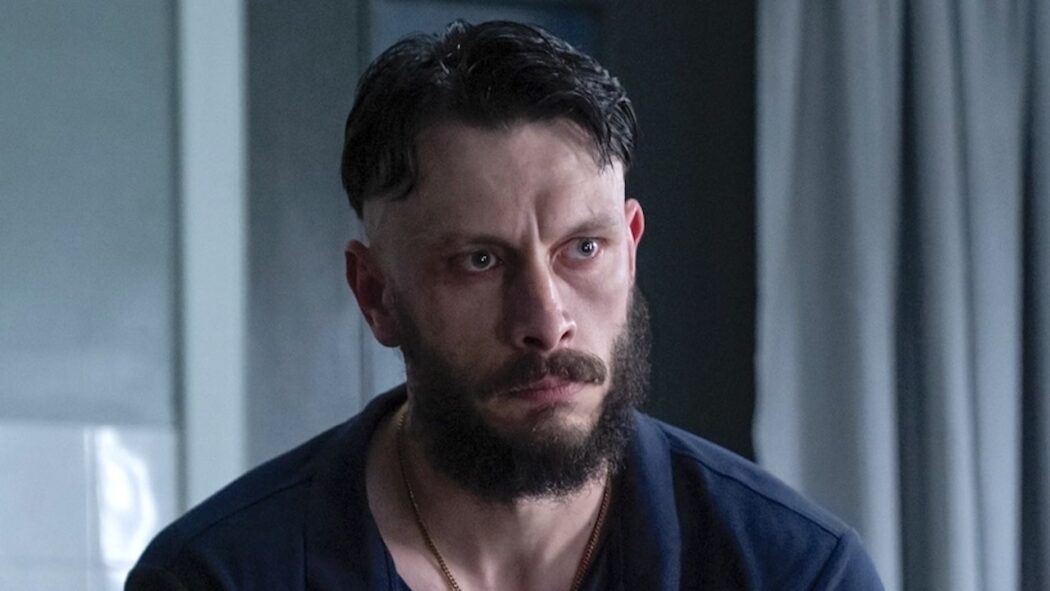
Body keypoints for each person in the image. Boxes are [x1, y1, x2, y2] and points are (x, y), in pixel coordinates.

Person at [127, 20, 884, 590]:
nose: (546, 322)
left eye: (582, 248)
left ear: (630, 249)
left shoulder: (796, 572)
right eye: (479, 261)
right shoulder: (215, 576)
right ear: (375, 294)